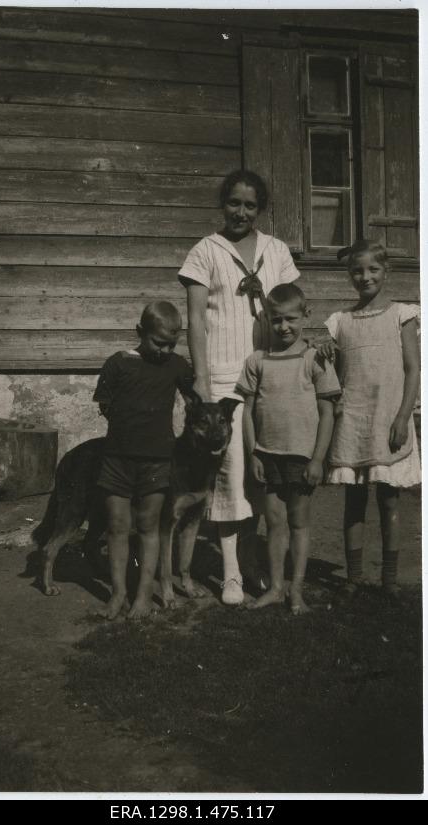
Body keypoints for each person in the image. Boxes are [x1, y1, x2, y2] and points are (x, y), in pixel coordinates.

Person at [178, 169, 301, 605]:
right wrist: (201, 378)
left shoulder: (276, 251)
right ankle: (231, 573)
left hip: (268, 374)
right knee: (230, 477)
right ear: (222, 204)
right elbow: (195, 321)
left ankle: (252, 564)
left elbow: (291, 308)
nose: (241, 212)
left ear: (260, 209)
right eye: (234, 203)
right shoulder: (205, 251)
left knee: (260, 474)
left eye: (250, 205)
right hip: (224, 381)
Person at [322, 240, 420, 598]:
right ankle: (354, 576)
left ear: (386, 271)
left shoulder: (402, 315)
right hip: (354, 420)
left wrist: (402, 416)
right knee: (354, 501)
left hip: (389, 419)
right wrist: (325, 352)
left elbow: (413, 370)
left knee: (390, 500)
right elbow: (331, 369)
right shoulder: (339, 322)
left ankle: (390, 579)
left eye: (373, 270)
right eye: (358, 271)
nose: (365, 277)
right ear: (350, 276)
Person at [237, 283, 341, 615]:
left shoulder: (315, 360)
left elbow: (327, 414)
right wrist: (253, 452)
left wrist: (318, 459)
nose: (283, 327)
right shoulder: (257, 361)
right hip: (268, 455)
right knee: (274, 522)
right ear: (267, 319)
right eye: (276, 320)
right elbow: (248, 412)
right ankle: (276, 588)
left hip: (301, 457)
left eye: (290, 319)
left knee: (299, 522)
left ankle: (296, 590)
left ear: (305, 315)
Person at [93, 301, 193, 620]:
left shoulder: (177, 366)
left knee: (149, 526)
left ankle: (143, 594)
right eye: (158, 342)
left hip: (157, 461)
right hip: (117, 459)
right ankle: (119, 592)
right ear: (140, 332)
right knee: (118, 526)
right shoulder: (118, 364)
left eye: (171, 344)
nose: (164, 350)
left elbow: (196, 395)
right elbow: (104, 404)